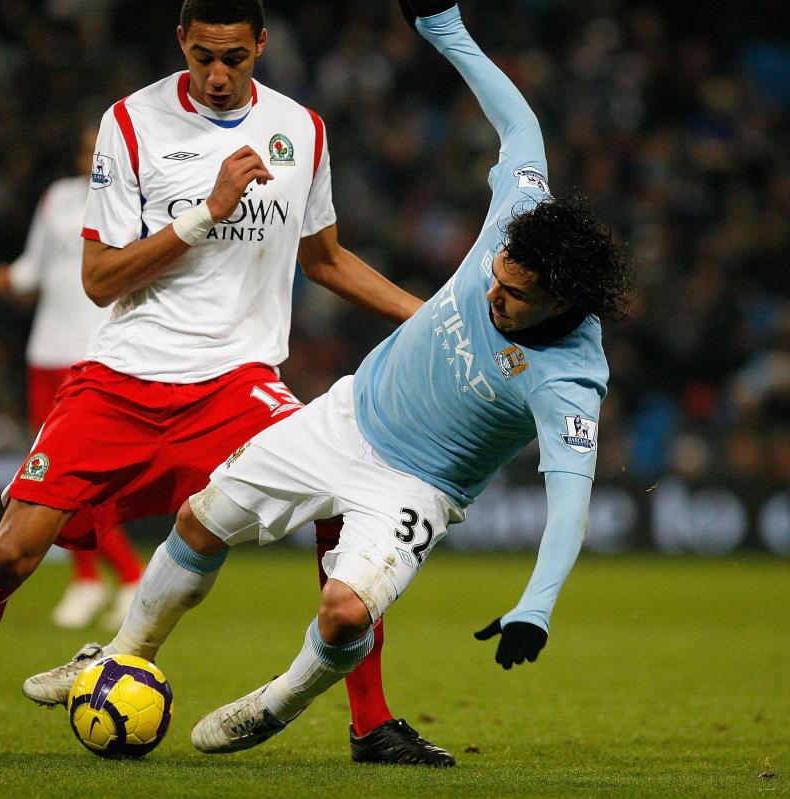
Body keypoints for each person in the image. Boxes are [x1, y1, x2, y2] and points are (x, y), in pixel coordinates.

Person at [0, 0, 455, 767]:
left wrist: (429, 317)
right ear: (181, 41)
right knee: (10, 555)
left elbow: (326, 258)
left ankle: (371, 724)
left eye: (235, 57)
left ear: (262, 45)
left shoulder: (301, 128)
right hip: (121, 380)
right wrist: (207, 214)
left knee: (339, 497)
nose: (217, 74)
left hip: (237, 382)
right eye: (203, 54)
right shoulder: (130, 122)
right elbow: (100, 280)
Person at [34, 0, 631, 759]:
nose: (491, 295)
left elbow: (571, 507)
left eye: (512, 298)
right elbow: (521, 125)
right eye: (497, 277)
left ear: (563, 302)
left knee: (346, 611)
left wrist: (536, 606)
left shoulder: (570, 381)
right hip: (342, 417)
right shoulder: (524, 214)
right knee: (198, 519)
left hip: (418, 487)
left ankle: (280, 700)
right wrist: (443, 28)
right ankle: (123, 653)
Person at [0, 126, 144, 631]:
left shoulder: (136, 201)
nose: (91, 158)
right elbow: (36, 266)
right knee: (48, 477)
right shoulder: (57, 197)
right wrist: (11, 277)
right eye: (85, 150)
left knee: (84, 478)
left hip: (96, 353)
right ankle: (87, 579)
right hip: (45, 350)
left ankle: (126, 574)